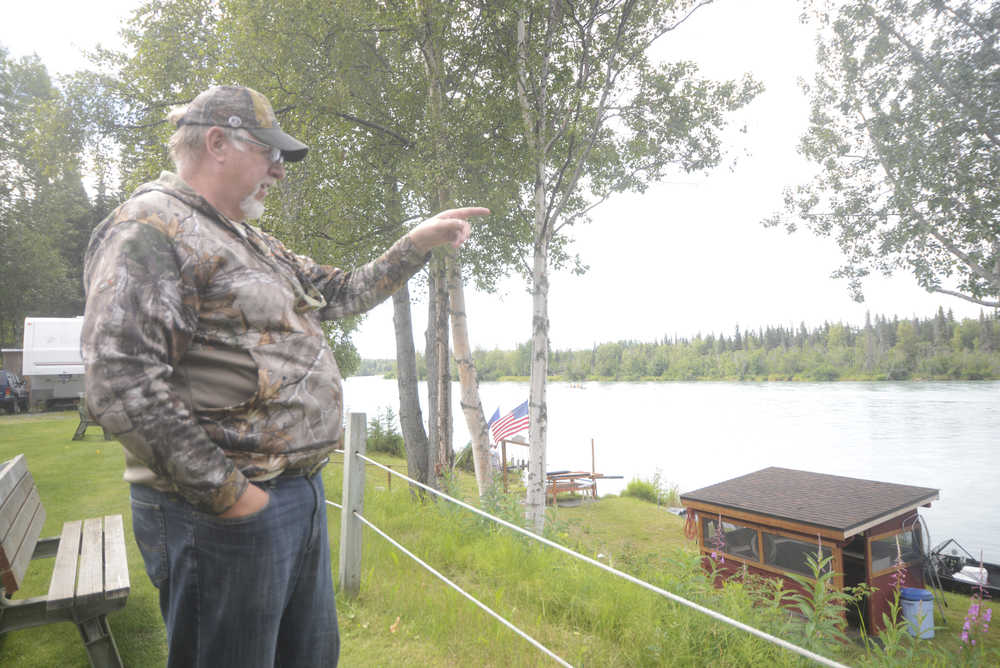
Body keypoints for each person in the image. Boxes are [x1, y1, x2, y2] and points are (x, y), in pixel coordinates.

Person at [81, 84, 488, 668]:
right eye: (266, 151)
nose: (279, 168)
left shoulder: (247, 238)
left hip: (295, 495)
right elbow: (119, 380)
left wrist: (416, 244)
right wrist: (228, 494)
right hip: (220, 513)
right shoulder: (149, 230)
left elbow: (341, 290)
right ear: (216, 142)